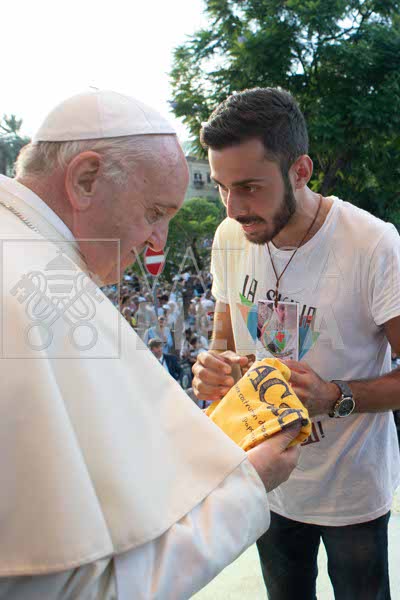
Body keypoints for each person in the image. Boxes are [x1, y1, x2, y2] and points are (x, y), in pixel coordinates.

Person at [0, 89, 301, 599]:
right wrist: (248, 485)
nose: (157, 242)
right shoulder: (29, 297)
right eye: (155, 212)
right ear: (85, 179)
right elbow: (71, 588)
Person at [192, 87, 400, 600]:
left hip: (352, 491)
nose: (234, 208)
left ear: (301, 170)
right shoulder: (229, 237)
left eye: (249, 187)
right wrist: (214, 370)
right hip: (266, 481)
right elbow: (224, 343)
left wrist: (335, 396)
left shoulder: (373, 244)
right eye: (222, 188)